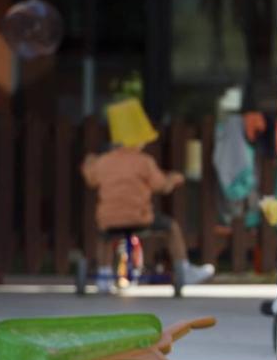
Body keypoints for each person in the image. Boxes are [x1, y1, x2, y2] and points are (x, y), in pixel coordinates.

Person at [82, 98, 215, 293]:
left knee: (104, 237)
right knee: (171, 227)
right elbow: (161, 185)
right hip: (139, 219)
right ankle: (184, 268)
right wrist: (173, 179)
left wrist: (89, 161)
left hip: (110, 220)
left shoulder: (104, 162)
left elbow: (91, 178)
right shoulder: (144, 161)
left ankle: (103, 274)